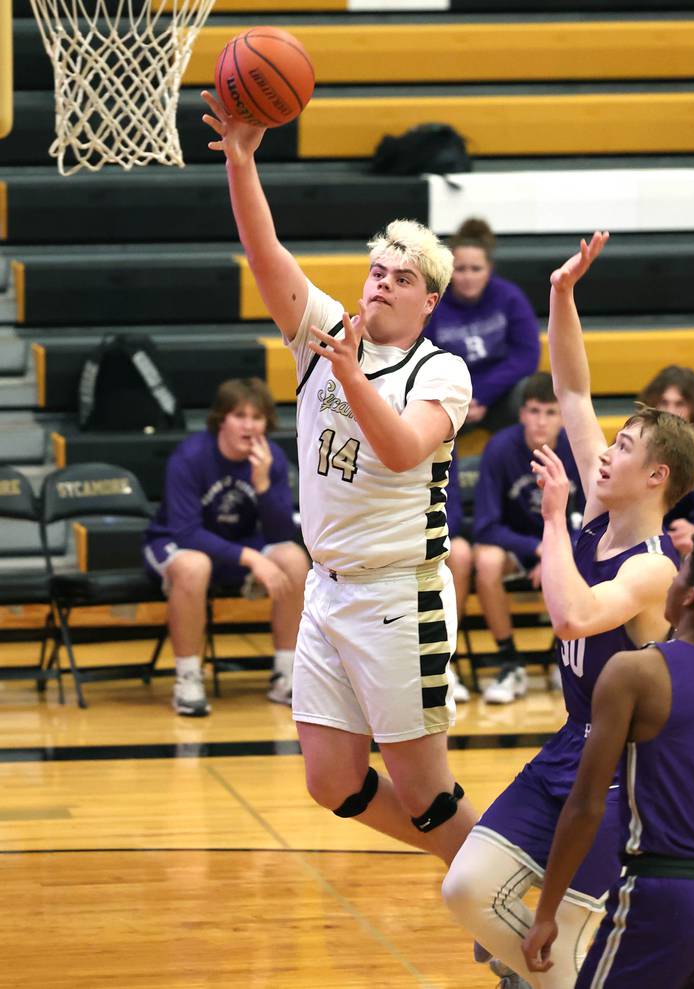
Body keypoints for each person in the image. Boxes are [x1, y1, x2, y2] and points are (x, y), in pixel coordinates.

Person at [202, 91, 479, 866]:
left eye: (401, 277)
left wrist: (352, 374)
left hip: (400, 595)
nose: (381, 282)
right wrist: (243, 159)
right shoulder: (325, 331)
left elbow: (399, 449)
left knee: (426, 790)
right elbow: (267, 254)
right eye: (376, 269)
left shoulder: (442, 370)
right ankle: (479, 867)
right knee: (332, 782)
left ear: (429, 299)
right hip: (329, 589)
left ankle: (517, 907)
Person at [441, 232, 694, 989]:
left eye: (621, 446)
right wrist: (561, 295)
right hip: (570, 743)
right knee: (465, 889)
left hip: (626, 777)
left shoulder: (655, 566)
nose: (602, 449)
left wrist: (554, 519)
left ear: (654, 474)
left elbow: (573, 617)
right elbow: (576, 393)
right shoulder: (600, 502)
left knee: (559, 947)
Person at [523, 523, 694, 989]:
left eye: (681, 571)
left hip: (660, 894)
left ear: (689, 596)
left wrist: (547, 911)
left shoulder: (635, 672)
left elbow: (586, 804)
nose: (671, 579)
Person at [143, 378, 309, 716]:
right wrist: (250, 558)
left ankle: (286, 674)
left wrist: (262, 484)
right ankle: (188, 679)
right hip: (173, 542)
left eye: (258, 417)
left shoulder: (271, 458)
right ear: (222, 419)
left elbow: (280, 533)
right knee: (194, 565)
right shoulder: (190, 457)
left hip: (236, 545)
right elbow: (187, 533)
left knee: (293, 559)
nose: (249, 425)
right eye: (239, 415)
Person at [472, 372, 584, 705]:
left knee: (592, 554)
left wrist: (556, 554)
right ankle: (510, 661)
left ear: (563, 416)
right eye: (534, 411)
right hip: (518, 546)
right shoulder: (500, 448)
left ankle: (563, 659)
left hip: (564, 546)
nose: (540, 421)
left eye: (550, 412)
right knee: (486, 561)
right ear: (522, 414)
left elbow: (595, 520)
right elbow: (485, 526)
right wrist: (538, 550)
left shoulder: (577, 449)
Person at [424, 218, 540, 429]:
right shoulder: (434, 303)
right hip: (452, 398)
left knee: (532, 393)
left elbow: (526, 356)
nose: (468, 277)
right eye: (461, 269)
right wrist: (462, 397)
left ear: (489, 269)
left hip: (498, 396)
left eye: (476, 269)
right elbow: (425, 359)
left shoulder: (509, 297)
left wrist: (482, 395)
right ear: (448, 270)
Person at [637, 365, 694, 555]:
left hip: (686, 531)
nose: (670, 411)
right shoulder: (633, 440)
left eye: (680, 404)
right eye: (664, 402)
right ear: (653, 403)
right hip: (642, 531)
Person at [445, 449, 474, 703]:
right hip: (392, 537)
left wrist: (430, 538)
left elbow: (452, 508)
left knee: (461, 552)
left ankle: (445, 659)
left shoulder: (442, 439)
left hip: (430, 534)